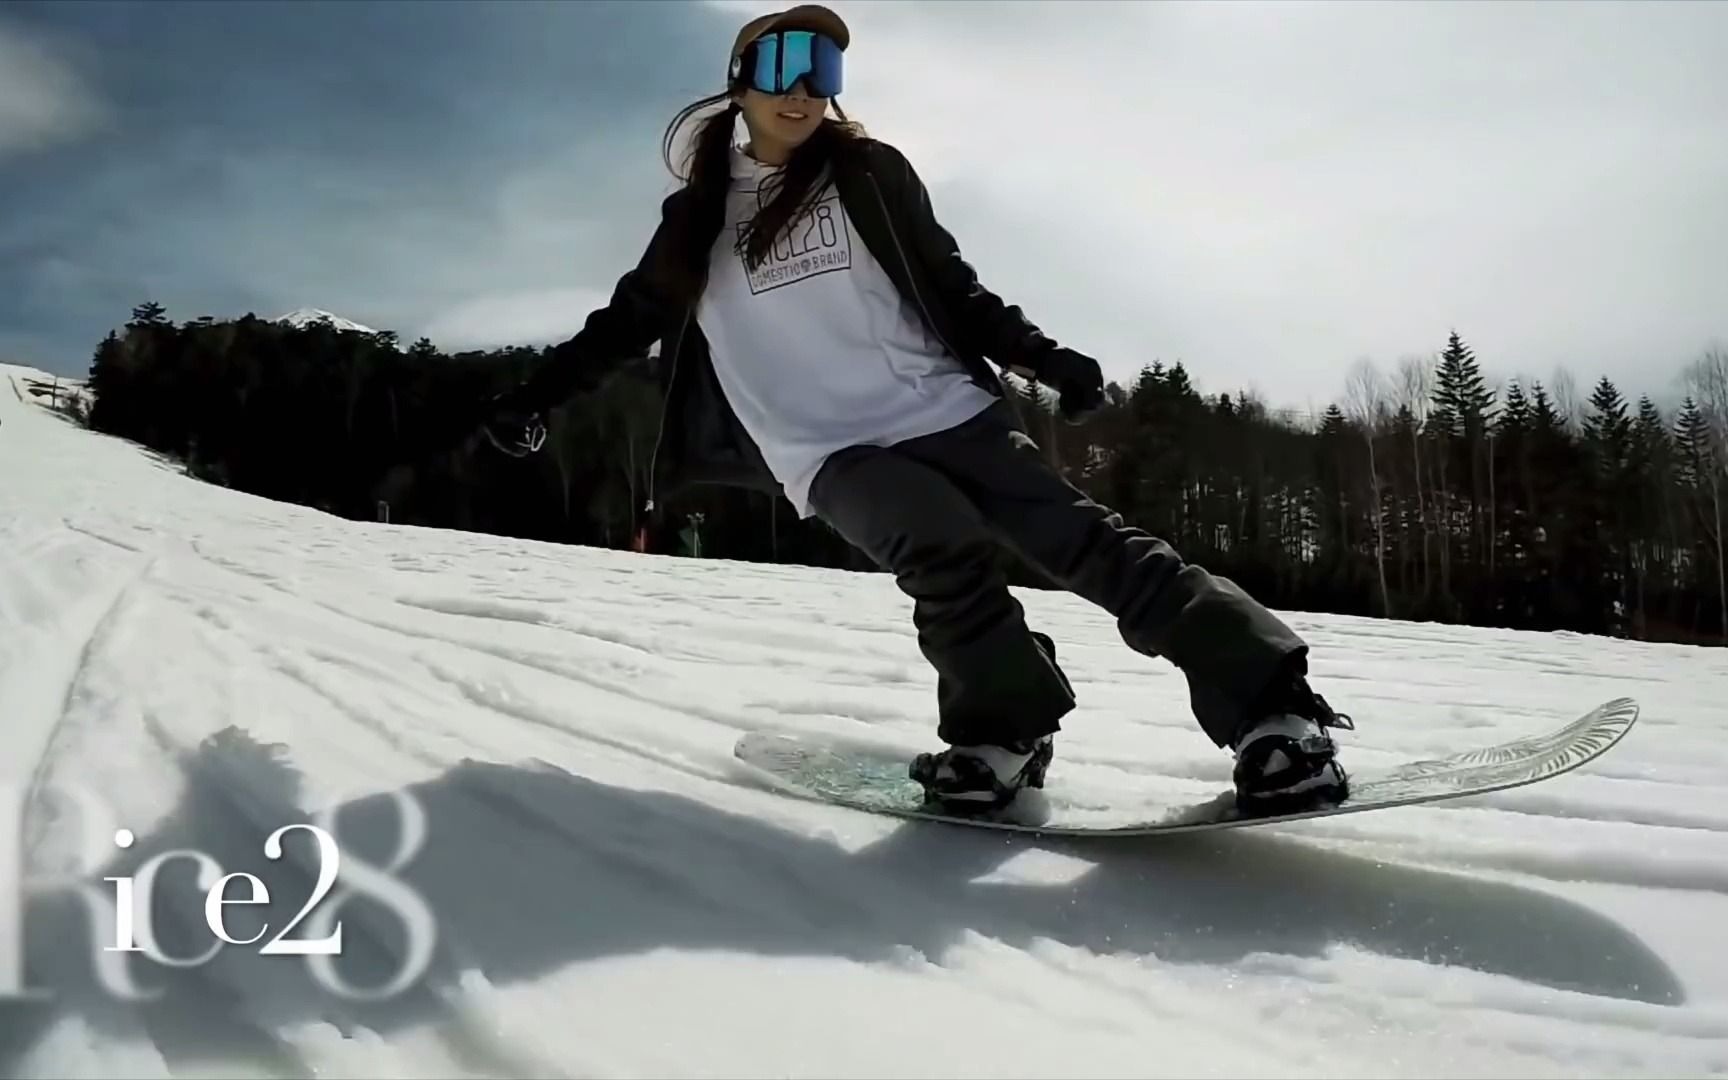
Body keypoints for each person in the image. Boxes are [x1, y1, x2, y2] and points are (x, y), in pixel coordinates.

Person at [478, 4, 1353, 815]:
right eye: (784, 64)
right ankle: (1003, 730)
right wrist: (533, 398)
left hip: (945, 408)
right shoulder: (696, 220)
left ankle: (1275, 715)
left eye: (824, 70)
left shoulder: (866, 174)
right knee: (936, 549)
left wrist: (1048, 361)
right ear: (740, 81)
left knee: (1080, 542)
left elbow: (955, 289)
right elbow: (623, 327)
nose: (804, 89)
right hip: (823, 449)